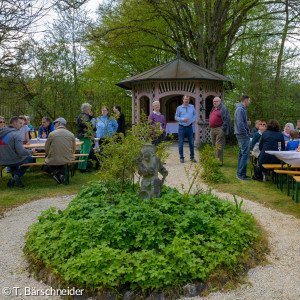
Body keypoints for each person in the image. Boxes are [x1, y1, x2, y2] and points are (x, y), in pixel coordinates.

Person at [0, 116, 36, 187]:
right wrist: (31, 151)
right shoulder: (16, 134)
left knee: (14, 162)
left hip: (2, 160)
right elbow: (21, 152)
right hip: (12, 159)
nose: (22, 125)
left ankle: (14, 177)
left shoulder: (3, 133)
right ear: (14, 123)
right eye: (20, 123)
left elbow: (6, 146)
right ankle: (16, 176)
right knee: (30, 158)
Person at [44, 118, 76, 184]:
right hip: (67, 158)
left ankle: (57, 174)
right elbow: (74, 149)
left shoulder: (52, 134)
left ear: (58, 124)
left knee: (47, 160)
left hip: (54, 159)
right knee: (69, 161)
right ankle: (62, 174)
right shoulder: (71, 134)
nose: (54, 125)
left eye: (55, 124)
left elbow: (46, 149)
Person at [209, 97, 231, 165]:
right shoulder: (213, 108)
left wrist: (222, 129)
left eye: (216, 101)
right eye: (213, 101)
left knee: (218, 146)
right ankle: (216, 160)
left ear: (220, 102)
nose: (214, 103)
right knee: (214, 145)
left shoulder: (223, 109)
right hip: (212, 129)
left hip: (219, 129)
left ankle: (219, 162)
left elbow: (227, 119)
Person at [234, 94, 251, 181]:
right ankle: (240, 174)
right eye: (249, 100)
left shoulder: (241, 109)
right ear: (245, 100)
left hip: (241, 134)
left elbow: (242, 123)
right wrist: (245, 133)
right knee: (245, 154)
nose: (249, 102)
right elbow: (240, 124)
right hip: (242, 135)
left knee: (242, 154)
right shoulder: (240, 109)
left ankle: (241, 173)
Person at [175, 95, 197, 163]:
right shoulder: (179, 108)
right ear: (183, 100)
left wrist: (193, 119)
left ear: (189, 100)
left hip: (190, 127)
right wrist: (182, 119)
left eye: (187, 99)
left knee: (191, 143)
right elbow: (176, 117)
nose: (186, 100)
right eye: (185, 99)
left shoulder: (192, 106)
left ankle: (192, 157)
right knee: (181, 143)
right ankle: (181, 157)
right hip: (181, 127)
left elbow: (195, 114)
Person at [77, 103, 95, 173]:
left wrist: (90, 117)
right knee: (86, 153)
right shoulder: (85, 116)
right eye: (89, 109)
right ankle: (83, 168)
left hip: (81, 135)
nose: (90, 110)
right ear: (87, 109)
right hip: (86, 136)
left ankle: (80, 166)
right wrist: (92, 128)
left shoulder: (80, 115)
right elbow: (89, 126)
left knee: (82, 152)